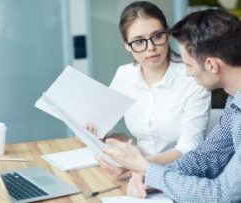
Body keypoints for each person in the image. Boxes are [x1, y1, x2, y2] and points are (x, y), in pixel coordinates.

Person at [103, 8, 241, 202]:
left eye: (188, 65)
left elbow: (222, 194)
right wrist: (150, 174)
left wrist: (148, 170)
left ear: (212, 65)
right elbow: (207, 156)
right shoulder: (235, 101)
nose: (187, 73)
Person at [94, 1, 210, 178]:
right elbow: (105, 127)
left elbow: (189, 148)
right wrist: (96, 133)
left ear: (168, 34)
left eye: (157, 36)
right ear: (126, 45)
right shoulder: (124, 75)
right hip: (135, 171)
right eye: (139, 41)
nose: (151, 48)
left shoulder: (193, 78)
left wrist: (140, 165)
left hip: (181, 175)